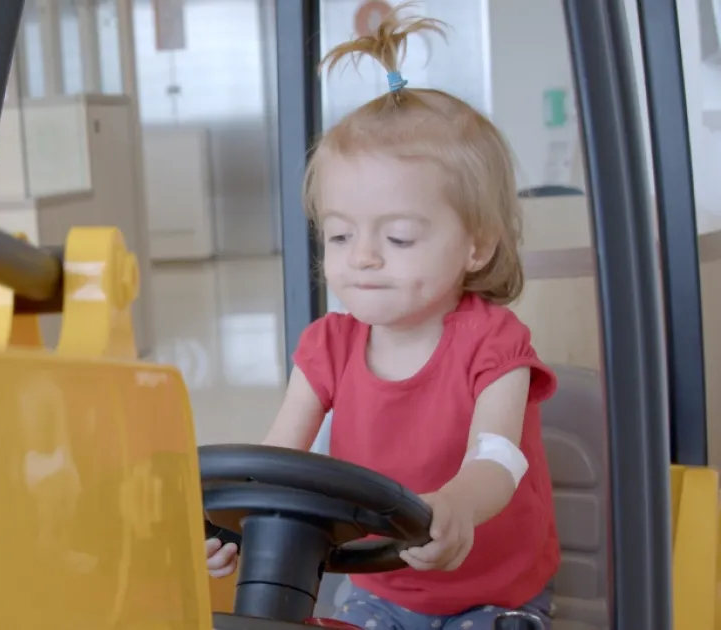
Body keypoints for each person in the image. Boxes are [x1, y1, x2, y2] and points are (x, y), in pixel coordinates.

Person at [204, 6, 561, 629]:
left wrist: (455, 504)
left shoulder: (494, 342)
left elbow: (499, 460)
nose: (363, 258)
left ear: (476, 245)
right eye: (340, 236)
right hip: (382, 591)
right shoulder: (327, 346)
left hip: (494, 599)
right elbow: (276, 456)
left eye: (397, 238)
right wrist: (231, 526)